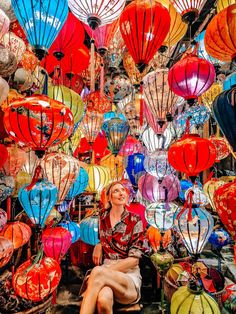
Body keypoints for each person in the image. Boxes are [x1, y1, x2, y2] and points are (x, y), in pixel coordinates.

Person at [80, 181, 145, 314]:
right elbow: (102, 237)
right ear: (109, 197)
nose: (121, 193)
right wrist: (98, 244)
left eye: (123, 190)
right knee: (103, 300)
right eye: (116, 191)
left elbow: (134, 260)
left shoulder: (135, 219)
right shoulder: (102, 217)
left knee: (97, 272)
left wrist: (103, 272)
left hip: (128, 276)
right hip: (103, 275)